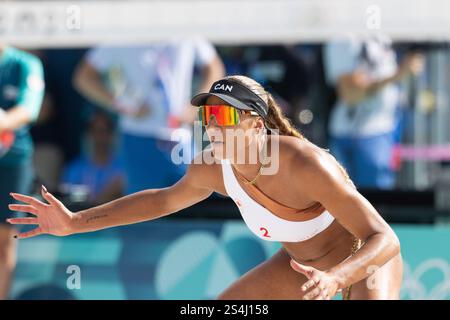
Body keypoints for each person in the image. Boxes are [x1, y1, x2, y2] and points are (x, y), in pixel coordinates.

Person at [7, 75, 402, 300]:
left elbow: (384, 237)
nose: (212, 124)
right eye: (206, 114)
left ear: (254, 122)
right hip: (301, 266)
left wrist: (338, 278)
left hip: (361, 258)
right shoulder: (213, 167)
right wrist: (75, 221)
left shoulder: (304, 163)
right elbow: (161, 201)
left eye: (223, 114)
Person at [73, 38, 225, 193]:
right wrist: (122, 104)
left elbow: (214, 67)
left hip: (180, 136)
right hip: (138, 137)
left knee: (194, 203)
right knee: (143, 209)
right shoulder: (123, 32)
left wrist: (196, 108)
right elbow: (84, 77)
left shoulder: (184, 26)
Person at [324, 34, 423, 189]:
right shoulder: (343, 39)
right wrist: (399, 74)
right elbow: (350, 94)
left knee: (378, 207)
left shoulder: (384, 33)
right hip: (357, 137)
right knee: (349, 206)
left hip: (386, 131)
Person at [0, 44, 44, 299]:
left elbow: (29, 109)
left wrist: (4, 122)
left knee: (6, 240)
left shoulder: (25, 64)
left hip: (13, 163)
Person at [61, 111, 125, 205]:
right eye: (95, 131)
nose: (100, 137)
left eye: (105, 131)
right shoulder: (75, 167)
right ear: (88, 134)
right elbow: (66, 199)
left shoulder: (123, 167)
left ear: (112, 134)